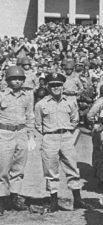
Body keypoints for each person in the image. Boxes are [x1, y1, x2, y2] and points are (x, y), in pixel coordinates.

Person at [34, 73, 86, 212]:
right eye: (52, 85)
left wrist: (67, 132)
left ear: (63, 86)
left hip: (66, 137)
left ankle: (78, 199)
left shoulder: (70, 102)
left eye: (58, 85)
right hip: (50, 137)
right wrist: (49, 134)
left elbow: (75, 120)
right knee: (51, 170)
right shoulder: (41, 104)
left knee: (72, 168)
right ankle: (53, 202)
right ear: (47, 87)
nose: (56, 88)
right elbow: (38, 124)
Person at [0, 65, 35, 214]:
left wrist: (31, 136)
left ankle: (15, 197)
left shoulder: (27, 96)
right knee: (3, 168)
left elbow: (30, 116)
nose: (17, 81)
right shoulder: (2, 95)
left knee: (19, 168)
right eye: (13, 78)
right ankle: (2, 200)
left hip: (21, 133)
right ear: (8, 80)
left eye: (20, 79)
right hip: (4, 133)